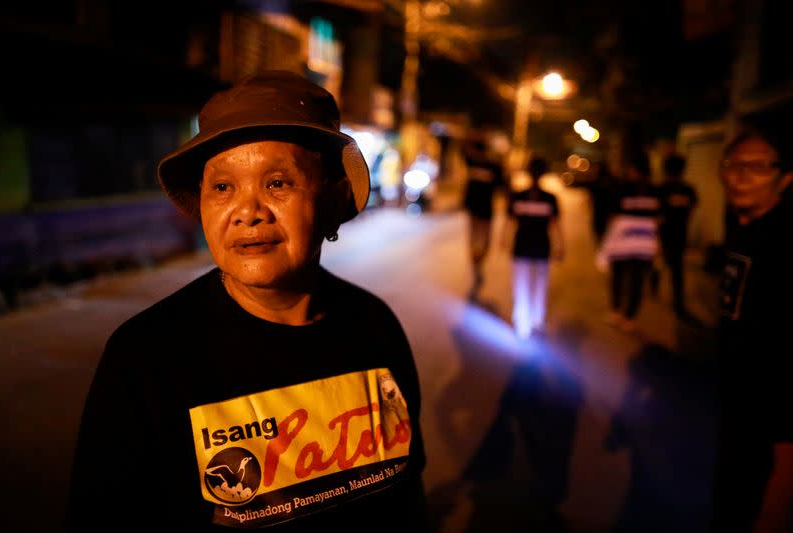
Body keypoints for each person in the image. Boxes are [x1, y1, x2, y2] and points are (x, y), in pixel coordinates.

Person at [66, 70, 429, 531]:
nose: (248, 212)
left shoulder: (374, 328)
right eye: (222, 188)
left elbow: (406, 501)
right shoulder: (145, 357)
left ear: (333, 197)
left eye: (277, 183)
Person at [711, 122, 793, 532]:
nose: (740, 176)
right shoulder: (744, 229)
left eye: (758, 166)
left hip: (769, 428)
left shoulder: (784, 244)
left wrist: (780, 492)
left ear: (786, 177)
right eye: (733, 164)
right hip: (736, 410)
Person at [597, 149, 661, 333]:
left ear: (633, 168)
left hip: (622, 242)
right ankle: (629, 317)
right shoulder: (655, 191)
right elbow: (659, 219)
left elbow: (613, 216)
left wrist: (607, 241)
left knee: (618, 276)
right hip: (645, 244)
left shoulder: (622, 188)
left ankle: (616, 311)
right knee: (637, 280)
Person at [504, 155, 564, 339]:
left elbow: (509, 222)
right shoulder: (549, 198)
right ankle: (534, 318)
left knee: (522, 284)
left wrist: (504, 239)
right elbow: (556, 225)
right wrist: (561, 245)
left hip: (525, 247)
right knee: (538, 284)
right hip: (537, 248)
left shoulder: (520, 196)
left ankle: (525, 320)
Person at [461, 131, 507, 300]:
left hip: (478, 209)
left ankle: (477, 267)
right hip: (483, 209)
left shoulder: (473, 161)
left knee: (476, 242)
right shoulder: (494, 165)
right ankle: (477, 267)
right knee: (483, 242)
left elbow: (464, 146)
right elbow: (504, 185)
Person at [656, 153, 699, 320]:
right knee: (676, 267)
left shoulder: (661, 188)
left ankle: (658, 285)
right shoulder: (688, 189)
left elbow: (656, 211)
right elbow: (692, 208)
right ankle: (678, 303)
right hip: (679, 232)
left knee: (665, 263)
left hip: (665, 233)